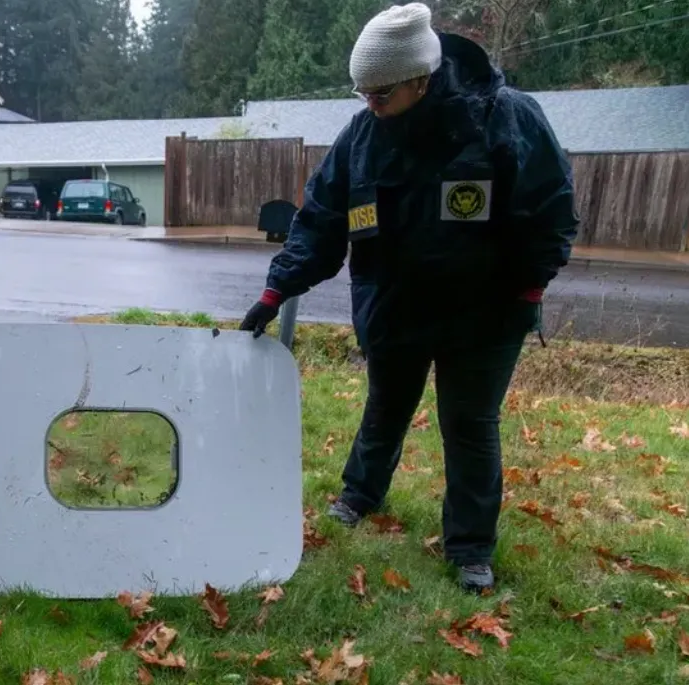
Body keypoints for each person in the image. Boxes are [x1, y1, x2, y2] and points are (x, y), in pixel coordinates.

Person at [239, 3, 578, 593]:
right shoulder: (363, 136)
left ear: (420, 78)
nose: (369, 105)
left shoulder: (504, 119)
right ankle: (359, 495)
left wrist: (531, 283)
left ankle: (470, 548)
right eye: (361, 92)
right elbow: (321, 219)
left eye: (381, 93)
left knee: (470, 425)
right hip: (395, 306)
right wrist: (277, 288)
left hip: (485, 313)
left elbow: (552, 210)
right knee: (385, 409)